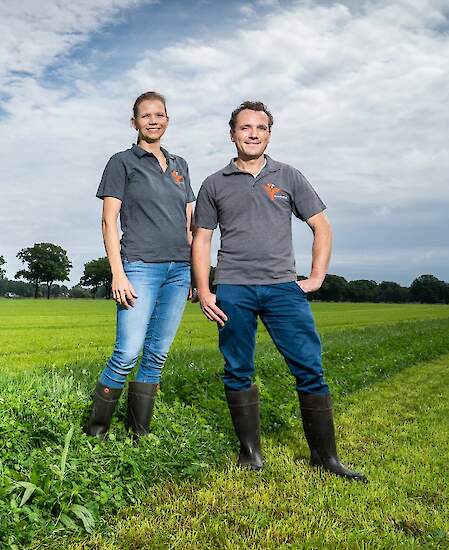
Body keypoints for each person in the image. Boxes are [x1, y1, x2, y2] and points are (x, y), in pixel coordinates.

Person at [191, 100, 366, 481]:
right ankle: (250, 453)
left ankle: (325, 458)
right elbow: (201, 239)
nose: (253, 133)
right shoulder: (213, 183)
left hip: (283, 288)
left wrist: (317, 277)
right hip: (233, 288)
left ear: (269, 133)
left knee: (310, 368)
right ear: (232, 133)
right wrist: (204, 289)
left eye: (261, 128)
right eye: (245, 127)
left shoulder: (289, 176)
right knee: (237, 369)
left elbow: (322, 225)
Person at [85, 91, 195, 438]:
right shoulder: (122, 162)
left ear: (167, 119)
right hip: (139, 267)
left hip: (179, 270)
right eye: (145, 115)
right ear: (134, 122)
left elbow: (190, 222)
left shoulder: (180, 165)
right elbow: (108, 220)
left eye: (159, 115)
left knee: (157, 354)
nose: (153, 120)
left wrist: (197, 273)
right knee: (128, 352)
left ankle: (138, 432)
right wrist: (117, 273)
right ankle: (96, 430)